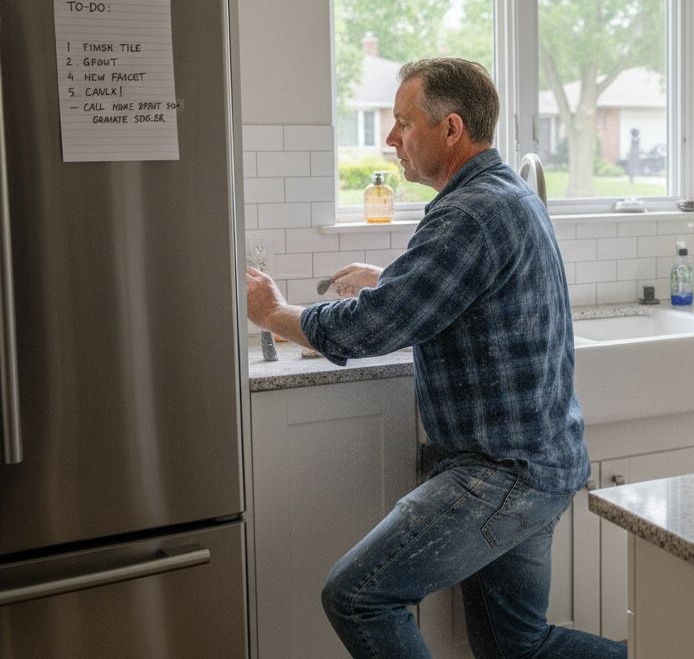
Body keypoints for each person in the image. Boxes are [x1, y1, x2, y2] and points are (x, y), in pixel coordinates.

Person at [246, 58, 624, 659]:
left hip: (500, 473)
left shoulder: (467, 213)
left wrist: (274, 314)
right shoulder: (505, 195)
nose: (390, 138)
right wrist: (394, 278)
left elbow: (373, 326)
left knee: (358, 596)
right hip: (539, 460)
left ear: (451, 129)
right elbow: (459, 293)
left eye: (403, 123)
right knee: (516, 650)